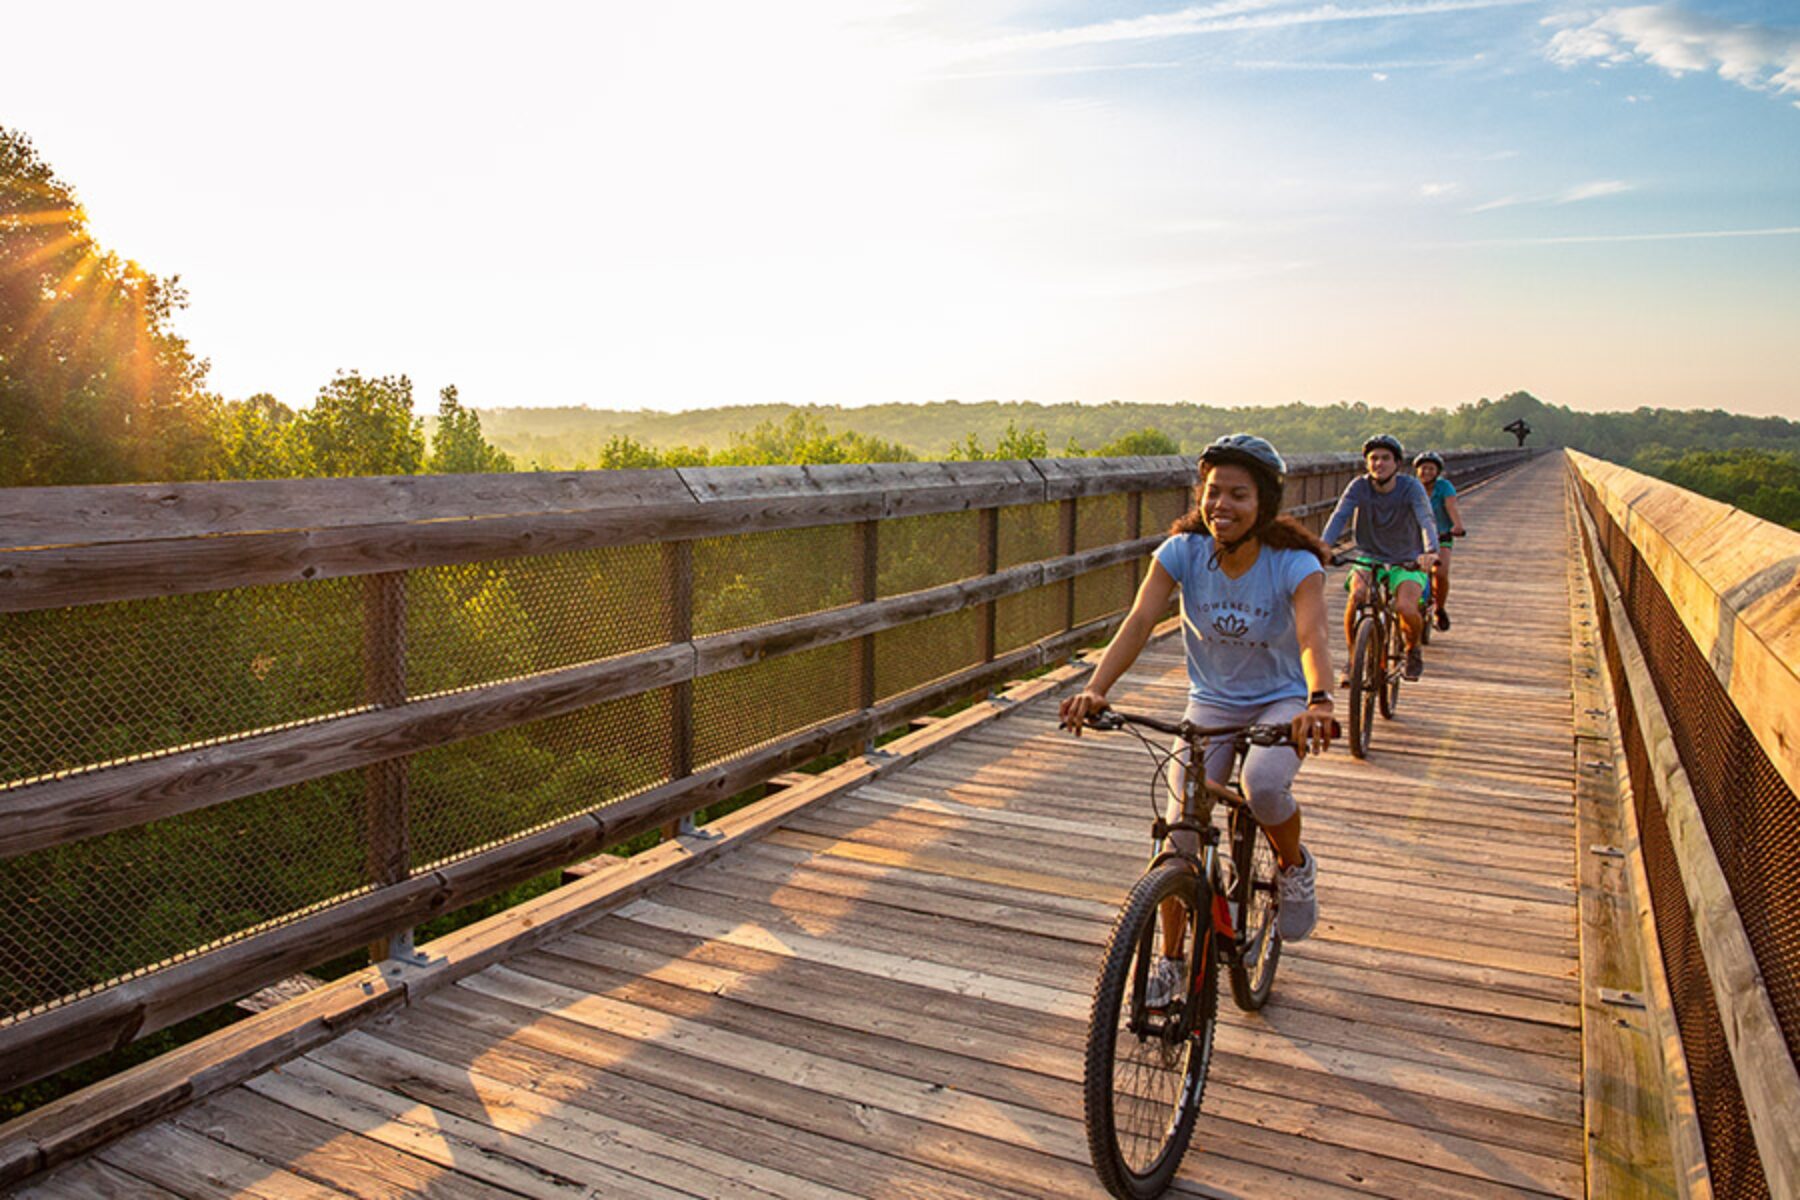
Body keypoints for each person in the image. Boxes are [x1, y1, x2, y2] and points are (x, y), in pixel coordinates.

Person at [1061, 434, 1337, 1005]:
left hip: (1282, 698)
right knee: (1179, 836)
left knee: (1262, 783)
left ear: (1264, 502)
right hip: (1211, 699)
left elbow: (1312, 636)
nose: (1223, 507)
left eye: (1239, 494)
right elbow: (1138, 622)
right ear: (1199, 495)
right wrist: (1095, 689)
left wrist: (1320, 701)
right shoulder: (1182, 551)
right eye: (1214, 493)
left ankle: (1292, 864)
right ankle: (1170, 960)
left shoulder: (1295, 563)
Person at [1321, 435, 1439, 682]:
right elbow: (1339, 515)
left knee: (1406, 606)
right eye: (1373, 459)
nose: (1379, 464)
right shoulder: (1358, 486)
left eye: (1386, 458)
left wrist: (1429, 551)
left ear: (1397, 463)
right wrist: (1323, 546)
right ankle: (1353, 659)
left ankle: (1412, 649)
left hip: (1408, 558)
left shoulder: (1411, 487)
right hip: (1368, 555)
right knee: (1357, 596)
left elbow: (1425, 518)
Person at [1413, 452, 1466, 630]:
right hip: (1416, 536)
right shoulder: (1411, 487)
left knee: (1440, 573)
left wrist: (1457, 525)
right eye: (1423, 468)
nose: (1426, 472)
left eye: (1431, 469)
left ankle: (1439, 608)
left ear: (1437, 472)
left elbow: (1451, 506)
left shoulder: (1444, 487)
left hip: (1441, 535)